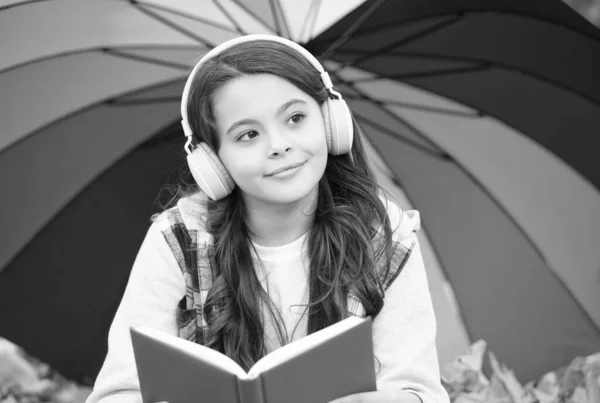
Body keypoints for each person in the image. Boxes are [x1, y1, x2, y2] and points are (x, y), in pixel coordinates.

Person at [85, 34, 450, 403]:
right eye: (248, 135)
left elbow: (419, 391)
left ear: (330, 120)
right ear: (212, 162)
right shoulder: (178, 238)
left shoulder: (381, 234)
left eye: (295, 117)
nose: (278, 144)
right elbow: (117, 393)